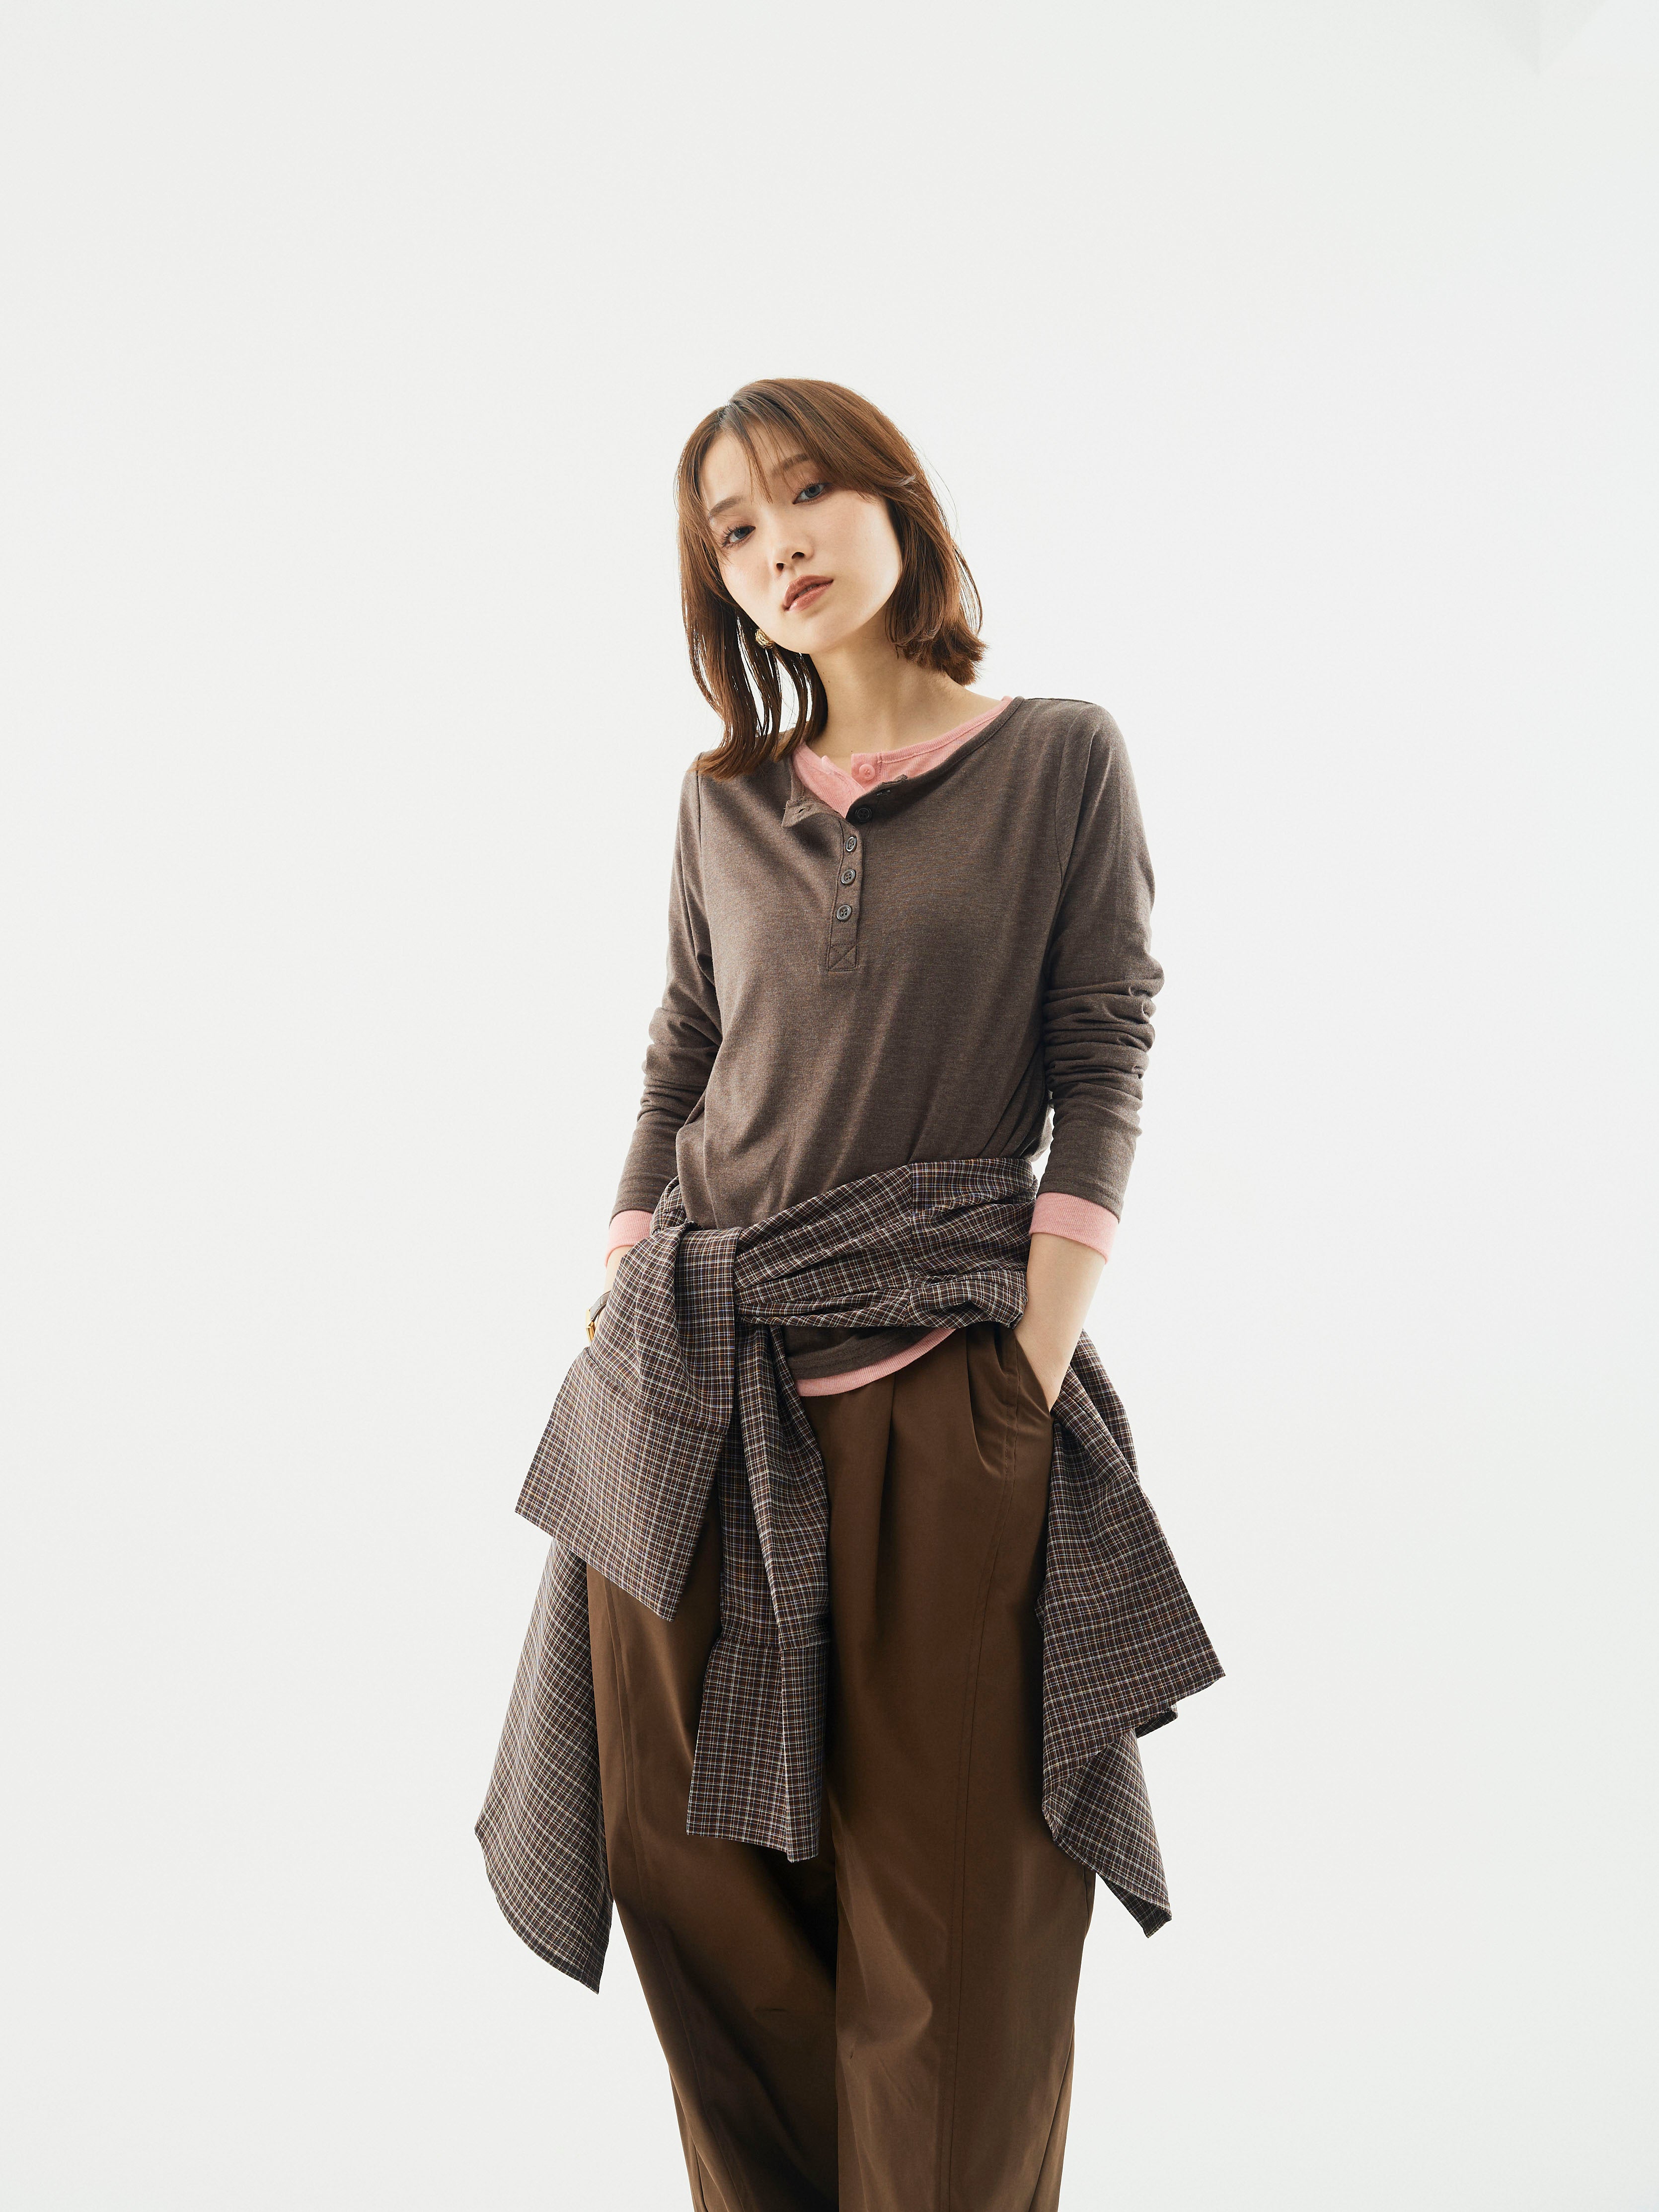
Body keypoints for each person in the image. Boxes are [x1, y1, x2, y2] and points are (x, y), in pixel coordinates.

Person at [475, 377, 1223, 2212]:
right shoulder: (721, 799)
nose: (777, 547)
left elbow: (1102, 1052)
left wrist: (1027, 1361)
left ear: (899, 505)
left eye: (806, 495)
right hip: (687, 1389)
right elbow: (683, 1048)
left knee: (951, 1920)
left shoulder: (1058, 758)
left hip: (940, 1388)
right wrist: (624, 1272)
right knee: (694, 1885)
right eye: (732, 531)